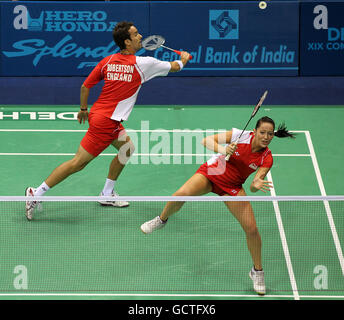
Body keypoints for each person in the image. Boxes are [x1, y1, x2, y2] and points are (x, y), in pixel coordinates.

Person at [25, 21, 191, 220]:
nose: (140, 37)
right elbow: (176, 66)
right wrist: (184, 58)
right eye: (136, 34)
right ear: (127, 42)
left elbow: (85, 86)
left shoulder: (107, 61)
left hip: (102, 116)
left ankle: (106, 194)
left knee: (127, 149)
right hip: (106, 122)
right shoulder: (143, 64)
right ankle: (36, 193)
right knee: (78, 163)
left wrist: (84, 109)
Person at [140, 116, 295, 295]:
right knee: (180, 195)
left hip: (233, 187)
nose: (266, 137)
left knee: (252, 229)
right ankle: (161, 219)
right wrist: (225, 149)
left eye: (270, 134)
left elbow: (253, 186)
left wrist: (256, 184)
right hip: (212, 173)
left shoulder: (267, 158)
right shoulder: (240, 135)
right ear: (255, 131)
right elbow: (206, 140)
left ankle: (257, 271)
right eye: (263, 132)